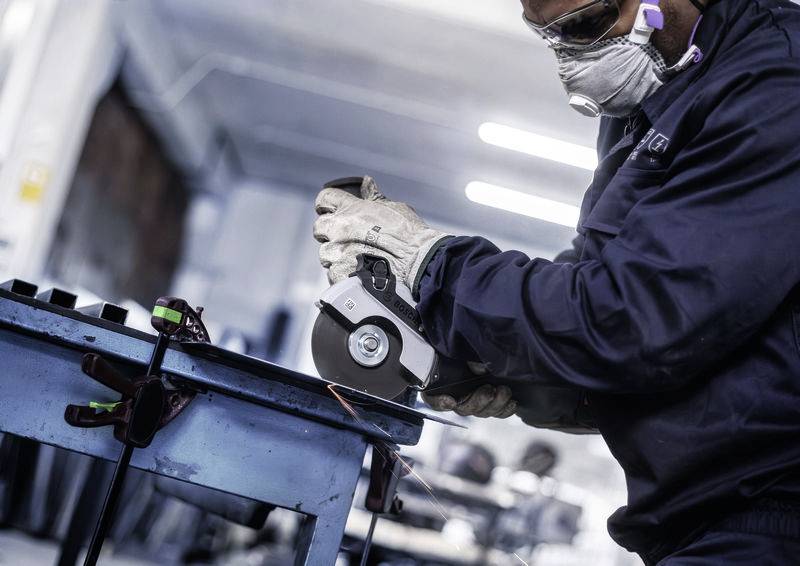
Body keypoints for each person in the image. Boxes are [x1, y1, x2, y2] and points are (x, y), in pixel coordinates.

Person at [312, 0, 800, 563]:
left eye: (587, 25)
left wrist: (434, 268)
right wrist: (511, 374)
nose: (573, 60)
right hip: (708, 519)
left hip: (774, 516)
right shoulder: (648, 100)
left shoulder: (774, 86)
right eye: (552, 38)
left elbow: (634, 320)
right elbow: (602, 292)